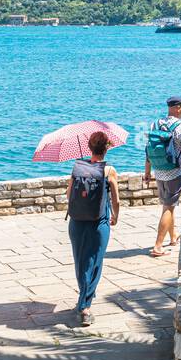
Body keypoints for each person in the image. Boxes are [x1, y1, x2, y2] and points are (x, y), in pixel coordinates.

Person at [66, 130, 119, 327]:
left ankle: (84, 296)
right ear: (106, 148)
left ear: (89, 147)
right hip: (100, 223)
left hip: (77, 222)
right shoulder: (109, 170)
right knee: (95, 262)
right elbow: (116, 199)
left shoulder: (77, 167)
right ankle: (85, 307)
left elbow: (69, 193)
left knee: (81, 262)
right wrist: (115, 216)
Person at [145, 94, 181, 257]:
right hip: (174, 173)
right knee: (168, 208)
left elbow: (148, 151)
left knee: (168, 205)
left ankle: (173, 237)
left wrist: (147, 172)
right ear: (178, 107)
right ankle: (158, 246)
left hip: (159, 172)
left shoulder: (154, 124)